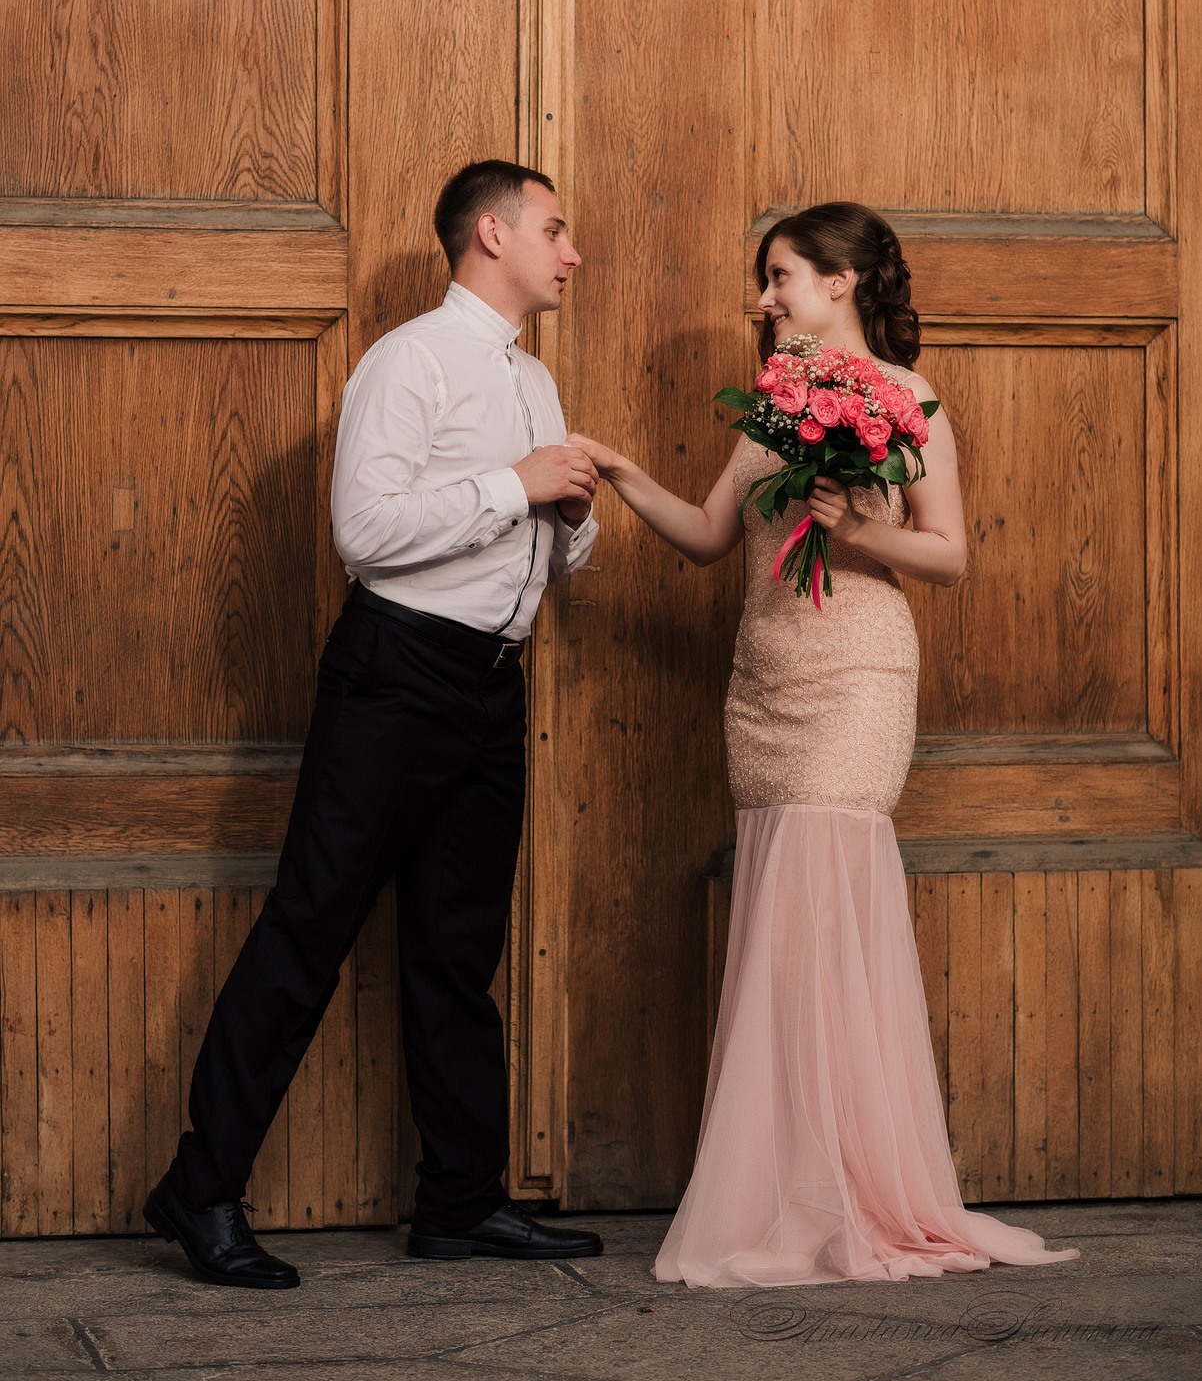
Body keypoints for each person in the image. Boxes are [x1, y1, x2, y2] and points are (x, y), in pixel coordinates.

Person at [569, 201, 1077, 1287]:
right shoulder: (771, 409)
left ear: (842, 282)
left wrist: (858, 527)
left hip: (852, 670)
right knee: (781, 927)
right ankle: (795, 1182)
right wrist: (617, 472)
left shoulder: (910, 402)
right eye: (765, 280)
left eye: (782, 276)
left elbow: (947, 558)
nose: (765, 299)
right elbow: (713, 538)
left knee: (825, 907)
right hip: (762, 681)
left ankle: (852, 1193)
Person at [145, 160, 605, 1288]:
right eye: (555, 228)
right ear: (490, 234)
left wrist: (569, 517)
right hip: (395, 677)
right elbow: (365, 531)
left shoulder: (535, 384)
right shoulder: (407, 360)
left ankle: (458, 1203)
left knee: (459, 952)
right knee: (307, 934)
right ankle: (199, 1193)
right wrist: (516, 484)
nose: (571, 250)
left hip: (494, 687)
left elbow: (545, 538)